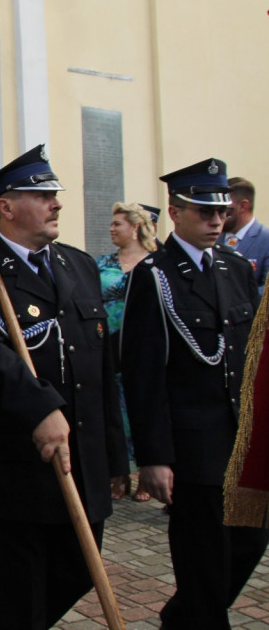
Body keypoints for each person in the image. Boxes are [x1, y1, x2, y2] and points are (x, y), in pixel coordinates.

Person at [0, 144, 127, 630]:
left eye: (55, 194)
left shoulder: (78, 264)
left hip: (82, 463)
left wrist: (113, 454)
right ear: (4, 208)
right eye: (42, 194)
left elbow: (100, 369)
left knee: (78, 574)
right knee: (21, 595)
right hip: (19, 469)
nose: (57, 203)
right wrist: (42, 408)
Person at [121, 159, 269, 630]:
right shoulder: (156, 275)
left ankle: (181, 618)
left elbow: (247, 357)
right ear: (176, 211)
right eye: (204, 212)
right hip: (193, 446)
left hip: (239, 441)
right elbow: (143, 374)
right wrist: (154, 456)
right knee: (203, 559)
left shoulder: (234, 267)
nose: (215, 222)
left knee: (251, 541)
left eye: (221, 213)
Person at [96, 202, 157, 503]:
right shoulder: (103, 263)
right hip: (109, 346)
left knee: (142, 409)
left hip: (143, 347)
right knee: (113, 412)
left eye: (118, 223)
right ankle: (118, 473)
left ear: (135, 227)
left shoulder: (156, 263)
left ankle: (145, 475)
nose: (111, 228)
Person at [218, 176, 269, 294]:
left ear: (243, 206)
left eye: (224, 209)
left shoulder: (265, 240)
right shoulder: (212, 238)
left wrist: (233, 302)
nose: (219, 216)